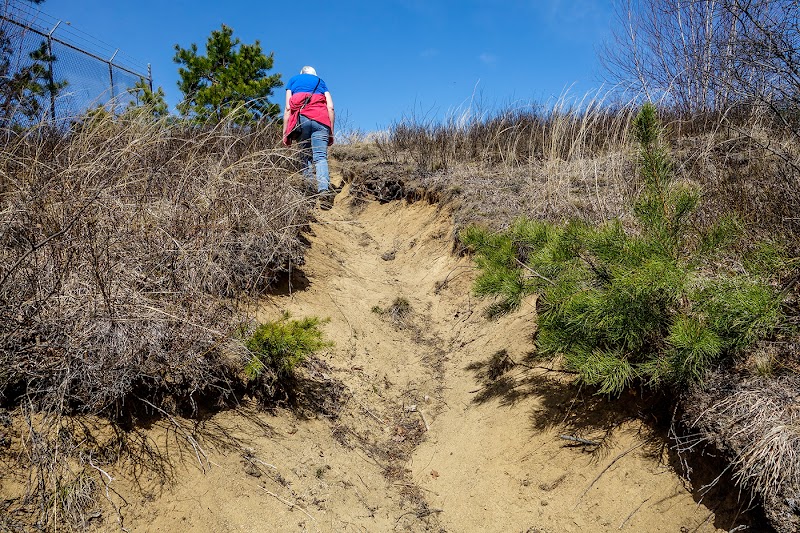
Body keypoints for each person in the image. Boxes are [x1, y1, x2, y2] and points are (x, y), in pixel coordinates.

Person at [283, 66, 336, 209]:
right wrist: (331, 130)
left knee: (305, 157)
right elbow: (330, 107)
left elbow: (288, 108)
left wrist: (285, 133)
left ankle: (309, 192)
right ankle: (324, 190)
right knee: (320, 157)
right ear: (314, 74)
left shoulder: (293, 81)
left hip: (302, 121)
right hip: (321, 121)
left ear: (302, 74)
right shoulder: (320, 82)